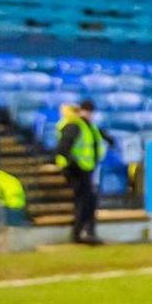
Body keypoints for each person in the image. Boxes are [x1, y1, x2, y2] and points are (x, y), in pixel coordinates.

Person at [54, 99, 107, 246]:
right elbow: (62, 148)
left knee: (88, 200)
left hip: (86, 169)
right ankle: (80, 233)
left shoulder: (87, 126)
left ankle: (86, 232)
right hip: (76, 170)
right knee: (86, 200)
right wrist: (75, 164)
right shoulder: (74, 126)